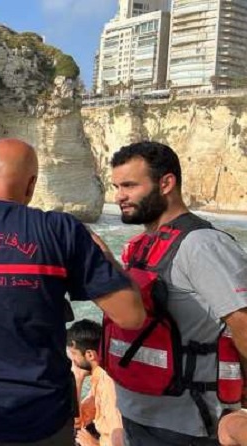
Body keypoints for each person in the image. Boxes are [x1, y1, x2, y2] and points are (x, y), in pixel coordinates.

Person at [0, 138, 145, 445]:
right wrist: (107, 258)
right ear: (32, 185)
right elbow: (131, 315)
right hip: (41, 422)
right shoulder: (60, 230)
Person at [105, 141, 247, 444]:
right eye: (116, 186)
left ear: (166, 183)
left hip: (188, 426)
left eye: (129, 185)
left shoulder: (203, 245)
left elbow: (244, 323)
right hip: (138, 415)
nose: (119, 196)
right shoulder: (143, 245)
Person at [67, 319, 123, 446]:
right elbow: (77, 422)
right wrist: (77, 380)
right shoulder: (98, 377)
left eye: (74, 354)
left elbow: (120, 438)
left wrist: (94, 444)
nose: (72, 360)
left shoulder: (108, 384)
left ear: (90, 355)